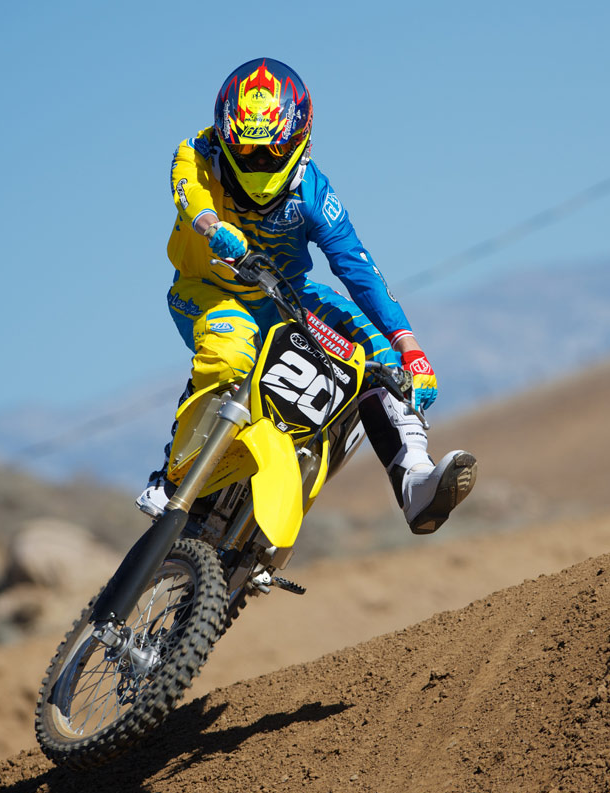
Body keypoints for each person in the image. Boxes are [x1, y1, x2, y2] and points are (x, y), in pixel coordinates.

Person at [137, 57, 476, 535]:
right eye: (247, 150)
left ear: (301, 143)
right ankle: (171, 479)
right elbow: (187, 189)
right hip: (208, 290)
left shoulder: (314, 193)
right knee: (229, 354)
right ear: (225, 136)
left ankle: (415, 478)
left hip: (286, 296)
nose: (259, 163)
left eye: (272, 151)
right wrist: (211, 225)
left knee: (379, 358)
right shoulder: (197, 150)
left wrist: (410, 347)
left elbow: (357, 266)